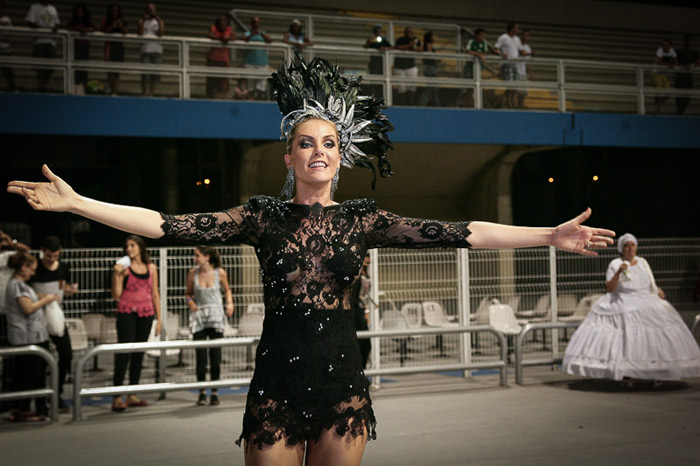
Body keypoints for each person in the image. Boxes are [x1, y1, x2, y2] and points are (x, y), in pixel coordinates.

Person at [8, 56, 614, 465]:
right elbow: (165, 225)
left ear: (340, 158)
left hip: (342, 384)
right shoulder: (262, 214)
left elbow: (465, 234)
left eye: (329, 142)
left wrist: (546, 235)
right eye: (307, 142)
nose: (318, 151)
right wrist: (79, 202)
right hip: (275, 380)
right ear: (289, 158)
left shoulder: (364, 220)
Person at [562, 233, 700, 385]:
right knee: (628, 336)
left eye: (632, 245)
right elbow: (610, 289)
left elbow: (650, 283)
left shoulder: (642, 263)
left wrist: (657, 290)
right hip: (623, 300)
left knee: (654, 335)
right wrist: (619, 272)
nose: (630, 249)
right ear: (621, 249)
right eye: (626, 246)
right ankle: (627, 372)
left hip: (647, 301)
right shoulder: (615, 264)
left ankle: (656, 371)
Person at [109, 235, 162, 412]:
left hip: (146, 313)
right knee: (124, 353)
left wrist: (159, 319)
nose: (129, 249)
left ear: (140, 247)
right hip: (127, 312)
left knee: (139, 353)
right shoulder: (125, 269)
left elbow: (155, 294)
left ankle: (132, 393)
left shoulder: (151, 268)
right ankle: (117, 396)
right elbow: (116, 295)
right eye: (127, 246)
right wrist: (116, 275)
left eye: (132, 245)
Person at [5, 252, 57, 422]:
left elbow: (31, 298)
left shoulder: (19, 285)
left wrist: (45, 297)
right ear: (23, 268)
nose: (33, 273)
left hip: (29, 336)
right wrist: (46, 299)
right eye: (32, 269)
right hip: (27, 338)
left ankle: (25, 409)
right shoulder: (17, 285)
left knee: (28, 375)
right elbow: (27, 307)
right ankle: (24, 410)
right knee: (31, 376)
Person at [30, 236, 77, 412]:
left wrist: (69, 291)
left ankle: (57, 392)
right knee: (40, 360)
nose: (52, 260)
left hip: (56, 316)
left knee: (66, 354)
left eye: (55, 256)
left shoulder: (63, 267)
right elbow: (27, 291)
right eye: (49, 256)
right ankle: (41, 400)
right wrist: (44, 298)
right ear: (43, 251)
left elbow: (63, 287)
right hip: (37, 317)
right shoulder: (35, 266)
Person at [186, 245, 233, 406]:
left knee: (215, 356)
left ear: (206, 257)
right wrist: (190, 301)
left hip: (215, 317)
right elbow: (187, 294)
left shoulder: (220, 273)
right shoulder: (193, 274)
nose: (194, 258)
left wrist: (230, 303)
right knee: (200, 357)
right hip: (199, 317)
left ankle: (214, 392)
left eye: (197, 255)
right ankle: (201, 392)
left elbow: (227, 290)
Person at [0, 230, 29, 410]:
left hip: (7, 312)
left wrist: (10, 242)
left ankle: (8, 394)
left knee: (9, 356)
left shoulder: (10, 256)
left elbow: (26, 252)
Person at [25, 1, 60, 92]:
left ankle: (44, 85)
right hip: (39, 41)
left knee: (51, 66)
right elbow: (29, 22)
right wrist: (41, 28)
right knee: (40, 66)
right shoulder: (35, 7)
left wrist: (55, 28)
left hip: (51, 41)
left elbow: (56, 23)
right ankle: (41, 85)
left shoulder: (53, 9)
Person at [66, 3, 95, 95]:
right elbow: (66, 27)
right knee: (75, 69)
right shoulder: (73, 21)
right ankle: (74, 88)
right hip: (74, 48)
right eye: (78, 12)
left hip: (84, 48)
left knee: (83, 69)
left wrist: (88, 30)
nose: (79, 14)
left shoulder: (88, 21)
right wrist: (75, 28)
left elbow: (97, 28)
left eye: (81, 12)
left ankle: (83, 88)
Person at [459, 28, 492, 108]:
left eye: (483, 35)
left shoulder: (484, 43)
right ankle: (464, 102)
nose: (482, 37)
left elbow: (485, 52)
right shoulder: (472, 42)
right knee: (470, 86)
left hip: (478, 68)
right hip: (469, 68)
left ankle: (468, 103)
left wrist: (480, 54)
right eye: (481, 35)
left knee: (475, 88)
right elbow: (468, 51)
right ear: (476, 35)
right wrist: (478, 54)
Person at [206, 15, 235, 99]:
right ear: (217, 24)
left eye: (224, 24)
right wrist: (220, 38)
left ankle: (224, 97)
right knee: (212, 81)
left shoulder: (228, 29)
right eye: (221, 24)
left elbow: (235, 37)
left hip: (223, 60)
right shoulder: (213, 28)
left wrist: (228, 38)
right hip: (213, 59)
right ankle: (210, 97)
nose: (223, 26)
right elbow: (209, 35)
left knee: (224, 80)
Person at [137, 3, 164, 96]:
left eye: (153, 9)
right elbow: (140, 33)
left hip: (157, 50)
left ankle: (151, 93)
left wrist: (159, 20)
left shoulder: (159, 22)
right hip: (145, 50)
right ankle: (144, 93)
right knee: (145, 74)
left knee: (156, 74)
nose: (151, 11)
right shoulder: (141, 21)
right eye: (149, 9)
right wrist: (144, 19)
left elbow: (161, 33)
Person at [242, 16, 272, 100]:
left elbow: (270, 40)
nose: (256, 25)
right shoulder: (247, 33)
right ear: (251, 24)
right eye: (254, 23)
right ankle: (251, 100)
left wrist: (262, 34)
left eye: (258, 23)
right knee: (250, 84)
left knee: (261, 84)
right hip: (250, 62)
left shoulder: (263, 33)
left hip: (262, 63)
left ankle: (259, 100)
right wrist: (252, 34)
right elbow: (243, 39)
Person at [493, 23, 522, 109]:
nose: (518, 30)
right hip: (507, 64)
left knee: (515, 86)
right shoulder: (504, 37)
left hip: (515, 65)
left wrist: (528, 54)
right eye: (516, 28)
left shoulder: (517, 39)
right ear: (512, 28)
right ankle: (509, 105)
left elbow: (520, 50)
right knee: (510, 85)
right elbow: (495, 49)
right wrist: (501, 54)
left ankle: (507, 102)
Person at [101, 3, 127, 96]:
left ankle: (114, 92)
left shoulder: (122, 21)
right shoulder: (106, 21)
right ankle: (111, 88)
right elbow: (104, 32)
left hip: (119, 48)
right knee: (109, 71)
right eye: (113, 10)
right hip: (109, 47)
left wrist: (120, 26)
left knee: (117, 71)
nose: (114, 12)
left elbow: (125, 32)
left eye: (116, 11)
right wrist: (112, 25)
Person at [353, 254, 372, 370]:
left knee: (366, 344)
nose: (367, 260)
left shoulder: (366, 274)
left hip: (361, 308)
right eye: (365, 257)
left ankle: (363, 370)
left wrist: (367, 311)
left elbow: (365, 297)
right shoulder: (356, 275)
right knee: (362, 343)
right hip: (355, 309)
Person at [393, 27, 422, 106]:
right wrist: (409, 45)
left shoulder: (415, 39)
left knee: (412, 88)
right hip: (400, 67)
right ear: (405, 32)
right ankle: (403, 104)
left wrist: (413, 47)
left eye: (412, 32)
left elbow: (421, 48)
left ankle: (411, 104)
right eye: (409, 32)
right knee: (402, 89)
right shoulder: (401, 40)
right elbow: (398, 47)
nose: (410, 34)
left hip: (411, 66)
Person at [650, 39, 677, 114]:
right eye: (663, 45)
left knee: (668, 93)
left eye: (666, 45)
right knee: (658, 92)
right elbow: (658, 61)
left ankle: (657, 107)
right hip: (656, 73)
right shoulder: (660, 50)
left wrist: (673, 64)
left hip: (664, 75)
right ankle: (655, 108)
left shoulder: (672, 51)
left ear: (670, 46)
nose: (664, 47)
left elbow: (675, 61)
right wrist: (668, 64)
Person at [675, 35, 699, 115]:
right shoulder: (679, 52)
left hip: (688, 77)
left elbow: (697, 63)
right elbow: (675, 61)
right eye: (687, 40)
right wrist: (680, 65)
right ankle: (679, 112)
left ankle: (682, 111)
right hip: (680, 76)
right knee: (679, 95)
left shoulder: (694, 53)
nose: (688, 42)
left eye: (690, 40)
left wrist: (691, 66)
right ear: (684, 41)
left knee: (687, 96)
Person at [419, 31, 441, 107]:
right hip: (430, 68)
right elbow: (429, 55)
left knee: (434, 89)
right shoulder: (428, 44)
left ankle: (437, 105)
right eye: (432, 36)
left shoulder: (426, 45)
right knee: (430, 88)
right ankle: (422, 105)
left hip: (430, 67)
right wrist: (437, 58)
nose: (434, 38)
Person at [0, 1, 17, 92]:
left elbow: (9, 33)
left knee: (8, 71)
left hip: (4, 49)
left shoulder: (6, 19)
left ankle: (12, 87)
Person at [516, 29, 534, 109]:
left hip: (523, 72)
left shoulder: (527, 47)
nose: (526, 37)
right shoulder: (516, 45)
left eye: (527, 35)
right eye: (524, 35)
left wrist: (530, 72)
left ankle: (521, 106)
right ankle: (513, 106)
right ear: (521, 35)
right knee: (515, 90)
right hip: (515, 70)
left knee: (524, 91)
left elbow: (527, 62)